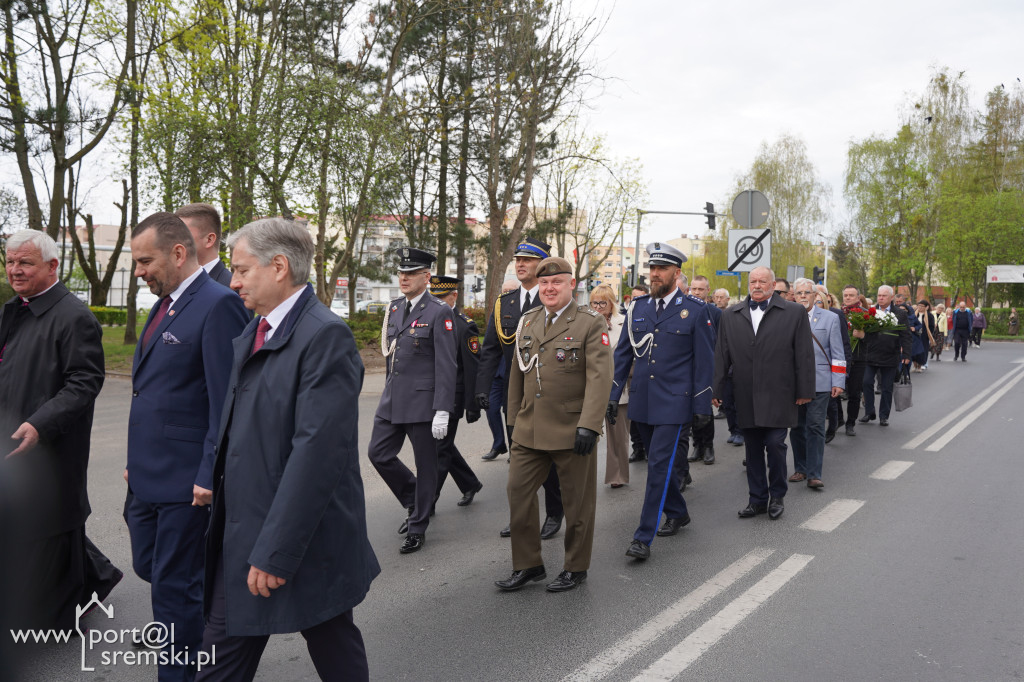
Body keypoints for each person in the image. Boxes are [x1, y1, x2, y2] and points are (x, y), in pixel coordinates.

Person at [196, 217, 379, 682]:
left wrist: (275, 550)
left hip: (299, 539)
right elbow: (236, 426)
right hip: (245, 532)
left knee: (334, 646)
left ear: (279, 267)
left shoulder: (324, 337)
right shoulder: (254, 331)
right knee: (218, 664)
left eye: (240, 270)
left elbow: (317, 454)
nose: (232, 281)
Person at [126, 212, 249, 682]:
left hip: (186, 482)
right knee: (152, 568)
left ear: (179, 253)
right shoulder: (164, 303)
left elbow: (226, 403)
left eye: (145, 261)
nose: (139, 271)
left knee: (174, 590)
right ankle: (206, 641)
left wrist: (207, 474)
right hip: (147, 475)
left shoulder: (217, 305)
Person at [0, 230, 122, 637]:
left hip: (49, 444)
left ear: (53, 266)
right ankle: (95, 578)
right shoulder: (13, 310)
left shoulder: (74, 317)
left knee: (49, 525)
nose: (15, 270)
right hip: (11, 439)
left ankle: (59, 614)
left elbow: (85, 381)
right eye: (10, 261)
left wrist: (41, 423)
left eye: (25, 263)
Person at [495, 257, 611, 593]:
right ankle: (529, 564)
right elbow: (517, 374)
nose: (549, 288)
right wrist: (513, 419)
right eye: (544, 283)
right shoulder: (529, 321)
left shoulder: (590, 322)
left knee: (577, 505)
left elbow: (600, 378)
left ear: (571, 285)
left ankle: (576, 567)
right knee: (518, 494)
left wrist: (590, 425)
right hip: (530, 428)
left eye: (556, 282)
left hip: (572, 430)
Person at [609, 245, 714, 560]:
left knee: (656, 465)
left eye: (662, 269)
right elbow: (623, 355)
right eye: (651, 269)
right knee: (662, 465)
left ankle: (643, 537)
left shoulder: (694, 310)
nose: (654, 274)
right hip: (642, 400)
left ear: (676, 273)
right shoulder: (638, 307)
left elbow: (704, 363)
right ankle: (678, 512)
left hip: (674, 402)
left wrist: (701, 406)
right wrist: (613, 395)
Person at [368, 247, 456, 554]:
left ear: (426, 276)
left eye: (411, 273)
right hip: (393, 399)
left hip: (422, 403)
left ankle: (418, 525)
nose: (403, 278)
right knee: (378, 453)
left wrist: (443, 409)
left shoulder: (438, 311)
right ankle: (416, 498)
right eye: (401, 273)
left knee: (426, 464)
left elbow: (447, 364)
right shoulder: (394, 308)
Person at [475, 237, 564, 540]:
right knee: (519, 461)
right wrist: (482, 387)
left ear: (541, 265)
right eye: (518, 260)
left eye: (527, 260)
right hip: (515, 395)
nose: (521, 264)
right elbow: (490, 349)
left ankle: (554, 510)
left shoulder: (555, 300)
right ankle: (522, 517)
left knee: (547, 459)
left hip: (547, 392)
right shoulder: (506, 303)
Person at [713, 266, 814, 521]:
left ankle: (777, 496)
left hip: (780, 393)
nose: (757, 285)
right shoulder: (731, 315)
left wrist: (805, 390)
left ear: (773, 284)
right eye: (753, 281)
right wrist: (716, 389)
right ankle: (757, 499)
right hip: (745, 393)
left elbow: (804, 354)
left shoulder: (794, 312)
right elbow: (721, 355)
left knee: (775, 445)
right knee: (753, 449)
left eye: (762, 281)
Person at [430, 275, 484, 507]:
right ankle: (469, 482)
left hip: (452, 396)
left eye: (442, 297)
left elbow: (472, 367)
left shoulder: (464, 326)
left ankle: (427, 502)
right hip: (430, 395)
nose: (438, 302)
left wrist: (472, 404)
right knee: (442, 444)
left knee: (439, 450)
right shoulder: (428, 318)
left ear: (454, 296)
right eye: (435, 297)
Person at [788, 280, 845, 490]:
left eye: (807, 293)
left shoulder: (830, 318)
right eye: (799, 293)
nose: (803, 296)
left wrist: (838, 381)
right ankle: (800, 468)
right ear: (793, 296)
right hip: (793, 383)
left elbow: (837, 353)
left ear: (815, 296)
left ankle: (814, 474)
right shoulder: (786, 317)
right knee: (796, 427)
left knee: (815, 426)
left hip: (820, 382)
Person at [591, 285, 629, 488]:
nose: (597, 307)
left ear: (612, 303)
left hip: (617, 387)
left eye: (602, 303)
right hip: (591, 387)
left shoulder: (623, 324)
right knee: (586, 432)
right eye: (594, 303)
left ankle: (618, 475)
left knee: (618, 435)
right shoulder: (585, 323)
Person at [859, 285, 912, 426]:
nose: (880, 298)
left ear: (891, 297)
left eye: (884, 296)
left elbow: (906, 335)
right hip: (870, 354)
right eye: (879, 295)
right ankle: (869, 412)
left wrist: (906, 354)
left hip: (890, 356)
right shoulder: (870, 312)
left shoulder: (900, 314)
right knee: (866, 382)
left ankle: (884, 416)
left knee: (886, 388)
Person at [481, 280, 519, 460]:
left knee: (509, 411)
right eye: (503, 291)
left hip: (513, 373)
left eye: (510, 291)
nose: (506, 295)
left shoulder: (522, 312)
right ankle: (498, 444)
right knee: (491, 408)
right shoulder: (498, 312)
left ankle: (514, 449)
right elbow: (490, 345)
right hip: (497, 374)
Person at [687, 275, 720, 465]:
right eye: (694, 289)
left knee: (705, 410)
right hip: (690, 369)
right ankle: (697, 445)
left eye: (701, 289)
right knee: (691, 412)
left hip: (707, 369)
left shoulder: (715, 313)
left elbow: (721, 343)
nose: (697, 293)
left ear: (708, 291)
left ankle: (708, 446)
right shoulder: (687, 310)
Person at [815, 284, 851, 443]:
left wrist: (843, 371)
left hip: (829, 369)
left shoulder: (835, 315)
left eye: (819, 301)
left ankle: (832, 427)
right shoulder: (799, 315)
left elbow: (842, 345)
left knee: (831, 402)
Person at [175, 203, 232, 288]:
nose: (174, 241)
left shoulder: (230, 288)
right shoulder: (175, 285)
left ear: (209, 240)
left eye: (183, 234)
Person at [840, 285, 868, 436]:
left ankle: (850, 423)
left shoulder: (866, 314)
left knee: (854, 393)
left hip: (858, 358)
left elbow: (875, 338)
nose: (848, 298)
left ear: (858, 297)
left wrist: (863, 336)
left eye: (851, 295)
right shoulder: (837, 313)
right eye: (846, 295)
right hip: (839, 359)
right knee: (833, 392)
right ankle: (837, 419)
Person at [628, 283, 650, 463]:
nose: (635, 301)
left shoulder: (649, 315)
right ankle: (638, 448)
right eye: (633, 297)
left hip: (644, 374)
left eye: (639, 297)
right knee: (634, 420)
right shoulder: (629, 316)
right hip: (631, 377)